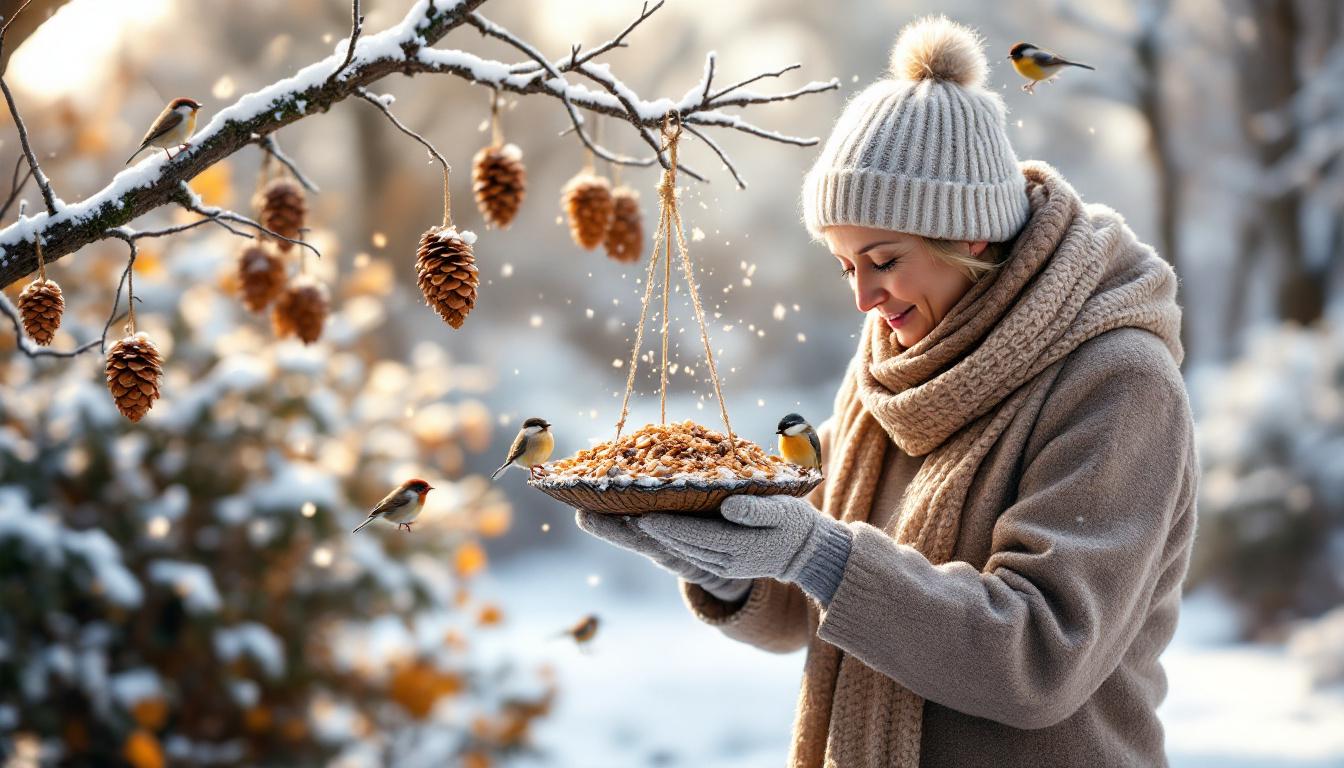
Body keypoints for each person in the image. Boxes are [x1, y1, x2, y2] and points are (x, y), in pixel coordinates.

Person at [576, 14, 1197, 768]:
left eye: (884, 259)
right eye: (846, 266)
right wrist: (730, 569)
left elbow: (1039, 658)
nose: (864, 298)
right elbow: (823, 612)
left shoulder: (1117, 381)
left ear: (968, 233)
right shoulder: (889, 369)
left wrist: (819, 553)